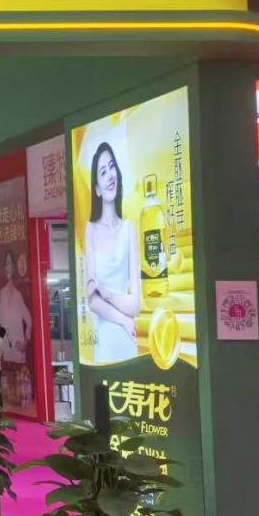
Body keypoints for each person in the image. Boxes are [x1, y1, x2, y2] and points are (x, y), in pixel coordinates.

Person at [84, 141, 141, 364]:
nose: (110, 176)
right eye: (103, 172)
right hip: (107, 340)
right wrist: (124, 320)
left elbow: (135, 305)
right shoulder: (91, 230)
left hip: (128, 341)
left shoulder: (129, 229)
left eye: (112, 167)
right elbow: (92, 302)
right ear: (97, 189)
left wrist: (106, 294)